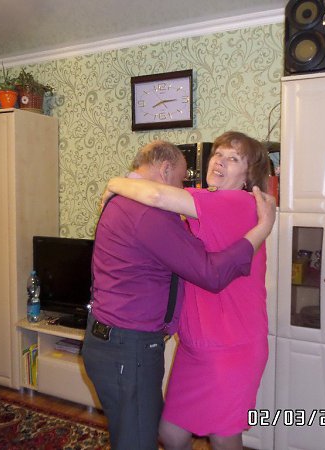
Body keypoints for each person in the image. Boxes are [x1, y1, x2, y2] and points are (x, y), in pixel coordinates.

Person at [82, 140, 276, 450]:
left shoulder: (238, 202)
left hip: (230, 342)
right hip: (194, 345)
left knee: (223, 436)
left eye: (233, 159)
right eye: (219, 154)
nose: (220, 161)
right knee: (171, 433)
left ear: (248, 175)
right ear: (166, 169)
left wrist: (116, 183)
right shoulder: (198, 206)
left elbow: (156, 194)